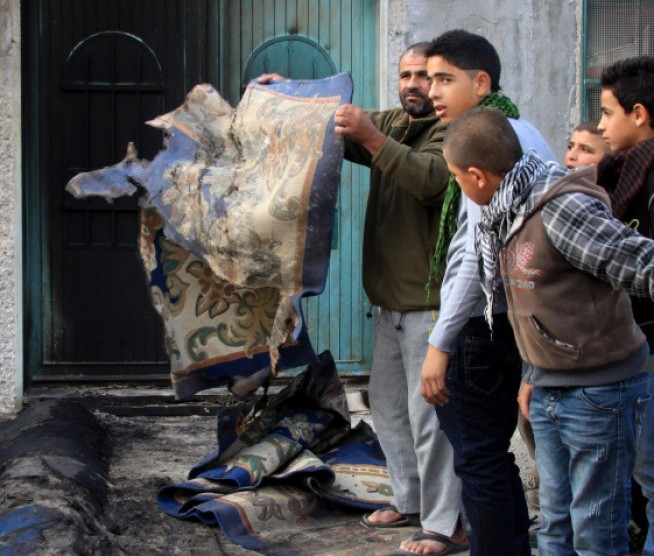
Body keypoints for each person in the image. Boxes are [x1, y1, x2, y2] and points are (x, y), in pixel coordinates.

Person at [259, 43, 459, 556]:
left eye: (427, 76)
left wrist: (371, 138)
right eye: (407, 75)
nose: (416, 84)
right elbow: (334, 123)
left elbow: (430, 181)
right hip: (389, 304)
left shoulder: (452, 130)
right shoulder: (395, 120)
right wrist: (286, 95)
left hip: (428, 306)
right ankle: (410, 502)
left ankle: (444, 524)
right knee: (389, 411)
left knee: (429, 419)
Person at [445, 105, 653, 556]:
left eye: (456, 177)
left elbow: (640, 263)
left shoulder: (560, 208)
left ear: (478, 176)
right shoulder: (508, 208)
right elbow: (533, 302)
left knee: (596, 533)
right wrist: (533, 373)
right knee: (556, 527)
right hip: (550, 387)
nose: (458, 186)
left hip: (599, 393)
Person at [418, 29, 555, 556]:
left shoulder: (487, 143)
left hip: (483, 325)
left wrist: (440, 344)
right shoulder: (524, 131)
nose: (433, 92)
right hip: (514, 320)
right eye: (429, 78)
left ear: (481, 82)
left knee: (478, 460)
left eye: (444, 79)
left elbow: (474, 261)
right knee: (493, 459)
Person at [517, 120, 612, 511]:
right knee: (558, 492)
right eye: (571, 146)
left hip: (600, 369)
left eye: (587, 150)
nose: (572, 156)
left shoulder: (598, 214)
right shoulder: (550, 203)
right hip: (547, 363)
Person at [596, 55, 654, 556]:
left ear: (639, 113)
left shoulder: (648, 181)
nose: (599, 125)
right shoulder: (620, 173)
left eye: (607, 112)